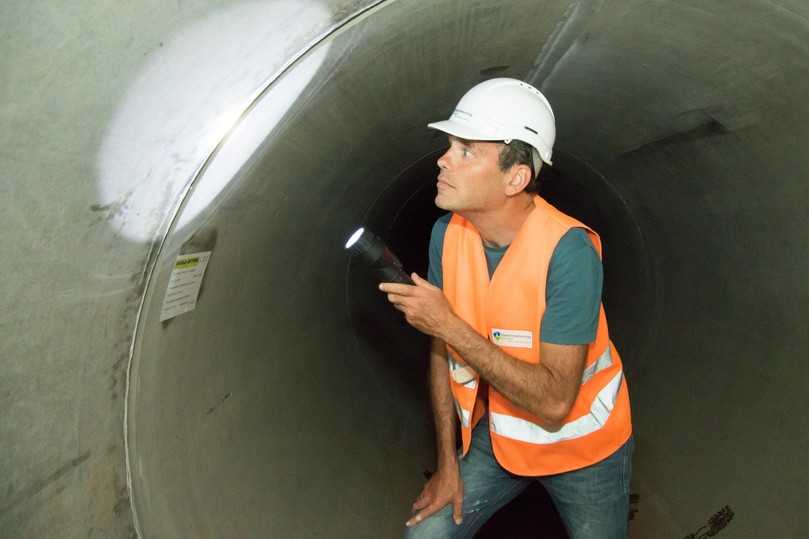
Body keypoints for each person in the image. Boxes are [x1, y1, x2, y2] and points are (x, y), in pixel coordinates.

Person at [379, 78, 633, 539]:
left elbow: (556, 404)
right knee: (425, 534)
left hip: (585, 447)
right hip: (500, 438)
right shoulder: (447, 234)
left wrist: (447, 325)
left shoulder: (569, 253)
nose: (442, 158)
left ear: (515, 178)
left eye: (466, 150)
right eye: (449, 145)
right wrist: (447, 463)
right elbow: (442, 353)